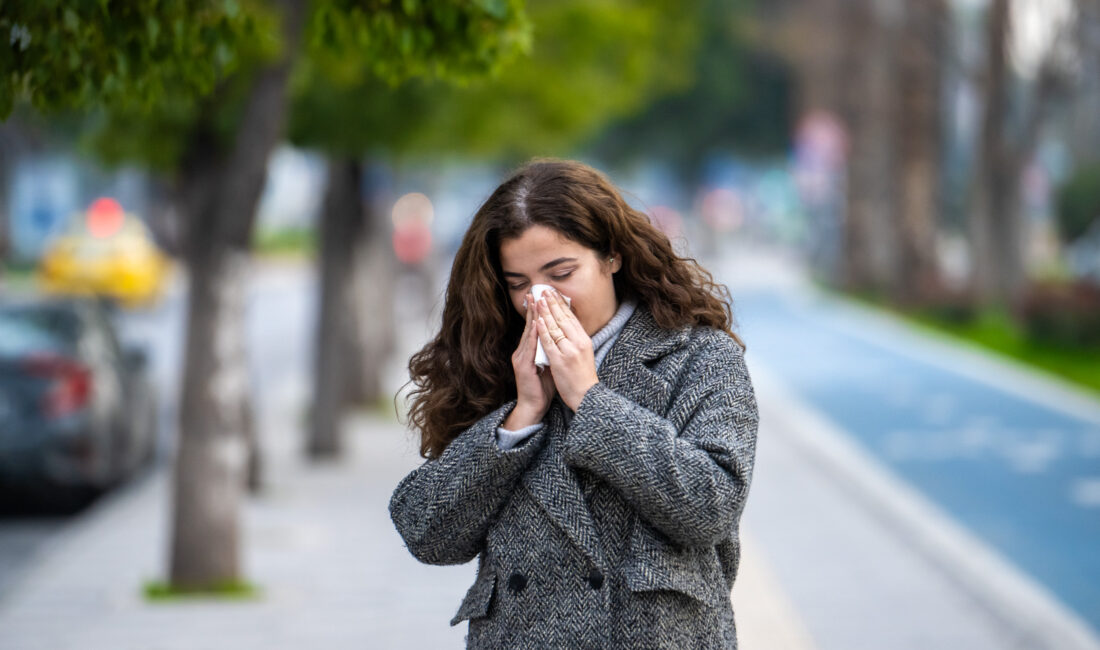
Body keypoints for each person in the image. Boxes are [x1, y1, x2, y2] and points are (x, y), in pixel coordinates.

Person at [389, 158, 759, 648]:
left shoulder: (698, 355)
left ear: (612, 256)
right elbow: (426, 532)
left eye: (561, 272)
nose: (540, 300)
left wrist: (591, 400)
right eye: (518, 284)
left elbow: (711, 506)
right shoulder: (494, 362)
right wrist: (520, 419)